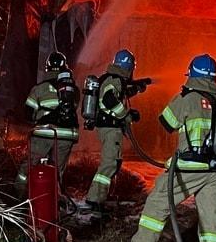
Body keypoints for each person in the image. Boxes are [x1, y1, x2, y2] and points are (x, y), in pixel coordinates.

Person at [127, 53, 216, 242]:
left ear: (192, 74)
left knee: (158, 200)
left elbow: (167, 122)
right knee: (212, 218)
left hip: (189, 167)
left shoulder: (187, 98)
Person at [77, 49, 141, 215]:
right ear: (129, 67)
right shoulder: (115, 79)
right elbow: (109, 99)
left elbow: (117, 93)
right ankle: (94, 200)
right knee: (109, 164)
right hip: (110, 128)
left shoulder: (111, 78)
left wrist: (138, 88)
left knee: (113, 163)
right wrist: (126, 115)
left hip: (108, 127)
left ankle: (100, 197)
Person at [16, 52, 79, 194]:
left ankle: (18, 195)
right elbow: (74, 107)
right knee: (57, 171)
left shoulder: (39, 89)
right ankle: (54, 202)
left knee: (29, 166)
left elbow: (28, 114)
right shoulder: (73, 90)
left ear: (47, 68)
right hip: (67, 135)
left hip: (43, 133)